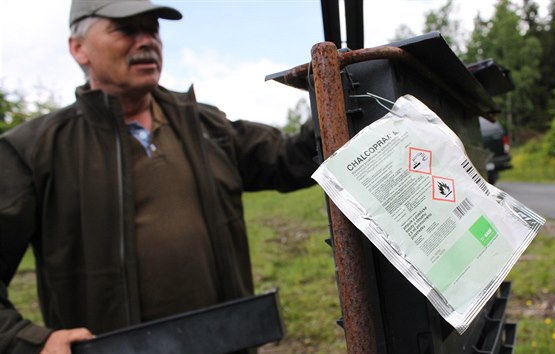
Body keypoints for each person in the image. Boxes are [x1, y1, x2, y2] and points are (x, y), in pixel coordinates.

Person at [0, 0, 318, 352]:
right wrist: (31, 343)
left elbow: (292, 159)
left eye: (152, 29)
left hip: (227, 343)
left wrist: (335, 97)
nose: (146, 41)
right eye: (125, 29)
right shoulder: (34, 151)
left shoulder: (204, 125)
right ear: (78, 48)